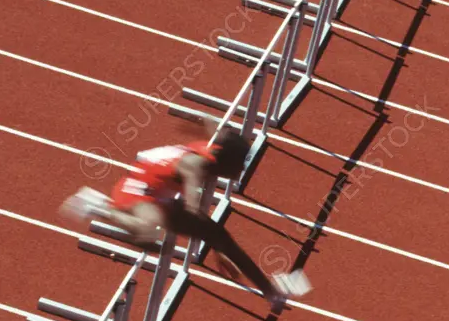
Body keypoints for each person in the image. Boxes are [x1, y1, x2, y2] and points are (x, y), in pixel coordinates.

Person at [59, 118, 310, 305]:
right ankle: (99, 206)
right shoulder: (196, 167)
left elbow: (213, 126)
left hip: (162, 190)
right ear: (227, 162)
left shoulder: (218, 149)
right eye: (238, 166)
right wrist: (217, 249)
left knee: (221, 237)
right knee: (149, 232)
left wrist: (220, 246)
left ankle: (271, 292)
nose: (240, 172)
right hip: (140, 187)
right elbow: (193, 210)